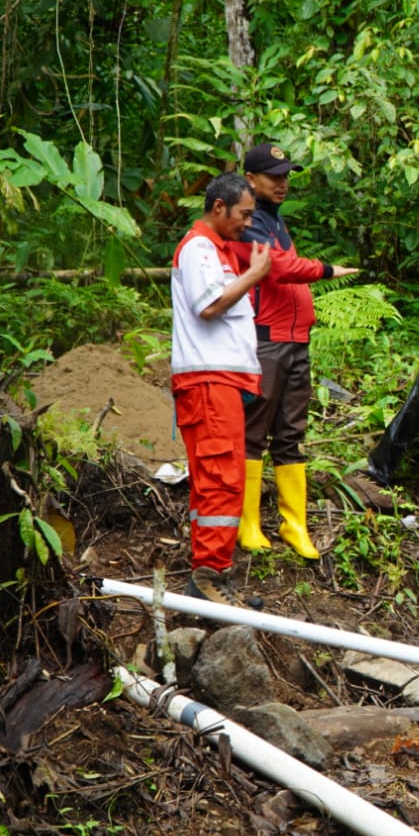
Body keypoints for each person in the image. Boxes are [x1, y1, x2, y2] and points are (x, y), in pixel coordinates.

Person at [229, 143, 360, 558]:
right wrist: (326, 270)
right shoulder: (248, 222)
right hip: (266, 339)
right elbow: (279, 268)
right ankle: (247, 523)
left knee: (291, 433)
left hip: (295, 338)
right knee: (254, 431)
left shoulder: (275, 220)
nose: (282, 183)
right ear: (250, 179)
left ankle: (294, 525)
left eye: (286, 176)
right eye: (274, 176)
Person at [171, 172, 272, 605]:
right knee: (221, 477)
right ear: (218, 207)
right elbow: (210, 306)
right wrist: (254, 275)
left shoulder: (217, 251)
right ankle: (208, 577)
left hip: (221, 382)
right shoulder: (198, 249)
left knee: (219, 477)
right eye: (244, 214)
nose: (247, 223)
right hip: (208, 382)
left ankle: (213, 573)